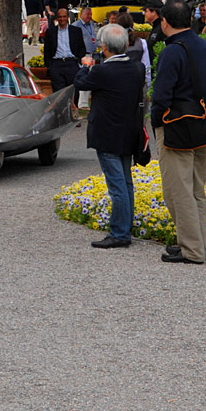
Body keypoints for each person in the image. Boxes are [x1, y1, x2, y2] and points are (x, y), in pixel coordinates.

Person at [151, 1, 206, 265]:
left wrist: (158, 121)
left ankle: (192, 250)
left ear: (164, 22)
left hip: (175, 125)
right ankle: (198, 243)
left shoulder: (172, 51)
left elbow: (161, 95)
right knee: (196, 189)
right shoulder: (203, 45)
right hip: (201, 122)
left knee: (178, 191)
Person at [72, 24, 145, 248]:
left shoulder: (102, 71)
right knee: (126, 182)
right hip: (128, 132)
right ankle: (125, 228)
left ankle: (120, 233)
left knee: (117, 186)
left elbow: (79, 83)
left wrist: (86, 66)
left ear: (104, 48)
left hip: (107, 133)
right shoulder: (137, 68)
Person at [44, 8, 86, 93]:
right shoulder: (50, 32)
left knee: (73, 92)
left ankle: (72, 106)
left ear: (67, 17)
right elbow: (47, 50)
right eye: (60, 17)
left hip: (72, 64)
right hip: (56, 64)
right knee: (58, 93)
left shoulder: (76, 31)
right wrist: (49, 65)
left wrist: (78, 61)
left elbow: (82, 48)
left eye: (64, 16)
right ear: (57, 18)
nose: (62, 19)